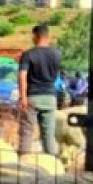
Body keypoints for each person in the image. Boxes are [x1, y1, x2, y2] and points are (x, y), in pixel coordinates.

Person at [18, 24, 60, 156]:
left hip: (32, 97)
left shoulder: (28, 54)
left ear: (36, 36)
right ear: (48, 37)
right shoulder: (56, 54)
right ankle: (52, 163)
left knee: (27, 130)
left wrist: (23, 97)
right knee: (49, 133)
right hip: (50, 97)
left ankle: (23, 160)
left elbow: (22, 75)